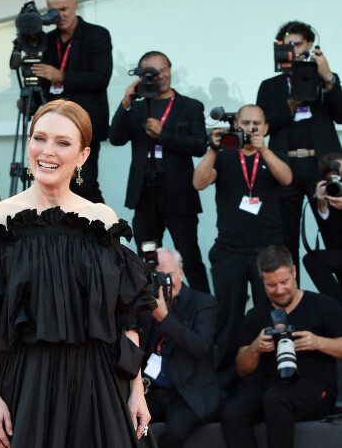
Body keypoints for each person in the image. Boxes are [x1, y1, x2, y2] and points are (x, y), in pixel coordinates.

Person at [0, 99, 156, 448]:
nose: (47, 151)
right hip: (25, 385)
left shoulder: (102, 218)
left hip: (98, 383)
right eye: (39, 138)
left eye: (63, 142)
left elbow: (126, 316)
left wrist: (137, 390)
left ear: (82, 156)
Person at [193, 104, 292, 391]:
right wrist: (213, 149)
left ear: (265, 128)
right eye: (245, 123)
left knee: (271, 315)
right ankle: (226, 382)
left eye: (256, 124)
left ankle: (272, 375)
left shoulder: (272, 155)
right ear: (237, 124)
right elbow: (198, 183)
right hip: (230, 251)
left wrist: (263, 151)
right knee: (229, 317)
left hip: (267, 253)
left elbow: (287, 178)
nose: (250, 128)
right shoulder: (224, 156)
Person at [221, 245, 342, 448]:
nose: (279, 290)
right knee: (233, 413)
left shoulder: (323, 306)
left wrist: (319, 342)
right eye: (271, 285)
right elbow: (242, 368)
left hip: (316, 389)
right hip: (269, 385)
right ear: (261, 280)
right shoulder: (255, 316)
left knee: (275, 399)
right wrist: (255, 348)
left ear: (294, 272)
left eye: (284, 282)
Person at [109, 51, 210, 293]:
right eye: (153, 72)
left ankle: (204, 309)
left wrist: (164, 135)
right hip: (144, 192)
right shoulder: (138, 108)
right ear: (142, 76)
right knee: (146, 257)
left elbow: (199, 146)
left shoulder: (190, 106)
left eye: (164, 70)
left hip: (179, 193)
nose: (161, 76)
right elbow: (115, 138)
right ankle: (148, 312)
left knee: (189, 257)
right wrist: (126, 102)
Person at [256, 21, 342, 272]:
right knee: (285, 238)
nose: (293, 50)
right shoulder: (270, 86)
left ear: (310, 45)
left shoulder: (325, 81)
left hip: (322, 166)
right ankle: (292, 299)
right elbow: (265, 125)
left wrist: (328, 78)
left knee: (335, 232)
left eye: (298, 44)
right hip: (285, 167)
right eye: (287, 46)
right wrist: (291, 104)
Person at [30, 0, 113, 203]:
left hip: (84, 125)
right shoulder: (46, 40)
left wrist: (61, 76)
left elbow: (100, 78)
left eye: (64, 9)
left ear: (76, 4)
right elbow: (39, 81)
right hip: (53, 127)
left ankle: (100, 234)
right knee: (55, 186)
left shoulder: (97, 35)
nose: (60, 15)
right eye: (53, 11)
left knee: (84, 184)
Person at [140, 248, 220, 448]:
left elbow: (201, 346)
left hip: (188, 393)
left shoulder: (203, 303)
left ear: (181, 274)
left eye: (169, 275)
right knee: (125, 423)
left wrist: (164, 318)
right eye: (157, 276)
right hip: (152, 390)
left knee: (172, 437)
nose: (164, 281)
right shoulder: (144, 306)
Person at [302, 152, 342, 304]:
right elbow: (332, 240)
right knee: (311, 260)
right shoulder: (329, 194)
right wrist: (322, 206)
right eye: (334, 179)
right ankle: (337, 306)